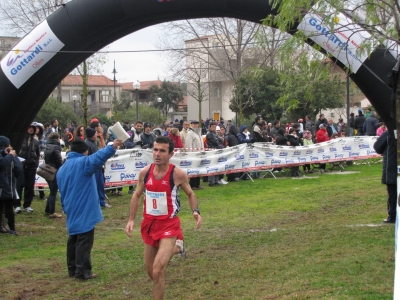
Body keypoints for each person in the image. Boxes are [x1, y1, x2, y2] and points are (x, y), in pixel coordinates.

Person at [125, 136, 202, 299]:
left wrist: (195, 211)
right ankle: (179, 248)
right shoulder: (145, 173)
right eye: (155, 149)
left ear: (171, 154)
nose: (157, 154)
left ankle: (176, 246)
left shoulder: (178, 174)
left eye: (162, 151)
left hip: (169, 225)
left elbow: (190, 193)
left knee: (158, 271)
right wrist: (131, 219)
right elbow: (137, 195)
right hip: (149, 225)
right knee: (151, 273)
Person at [57, 139, 123, 279]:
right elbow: (98, 157)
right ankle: (82, 272)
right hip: (84, 206)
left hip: (70, 206)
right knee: (84, 239)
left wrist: (64, 207)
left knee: (73, 238)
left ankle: (72, 269)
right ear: (84, 151)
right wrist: (112, 146)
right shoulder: (83, 163)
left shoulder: (62, 168)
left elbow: (61, 191)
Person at [14, 124, 40, 213]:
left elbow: (38, 154)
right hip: (21, 166)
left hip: (31, 166)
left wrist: (36, 164)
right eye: (29, 128)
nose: (31, 129)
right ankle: (17, 205)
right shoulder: (20, 140)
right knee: (19, 185)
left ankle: (27, 205)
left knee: (29, 186)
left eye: (32, 128)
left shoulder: (36, 142)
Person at [85, 128, 112, 207]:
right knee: (94, 186)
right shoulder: (87, 144)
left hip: (99, 168)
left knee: (100, 185)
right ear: (92, 135)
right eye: (95, 133)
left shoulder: (93, 143)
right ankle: (95, 202)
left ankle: (101, 201)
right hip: (93, 168)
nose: (96, 135)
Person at [373, 131, 396, 223]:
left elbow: (377, 147)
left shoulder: (389, 132)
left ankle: (393, 216)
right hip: (392, 167)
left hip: (391, 167)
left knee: (392, 193)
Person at [0, 136, 21, 235]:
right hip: (5, 184)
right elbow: (2, 163)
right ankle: (11, 228)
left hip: (6, 183)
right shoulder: (9, 156)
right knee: (8, 205)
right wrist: (10, 156)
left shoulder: (3, 153)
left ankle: (3, 226)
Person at [43, 132, 63, 218]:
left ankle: (48, 210)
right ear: (57, 138)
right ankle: (52, 211)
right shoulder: (56, 147)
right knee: (53, 192)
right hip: (55, 170)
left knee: (51, 191)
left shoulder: (47, 146)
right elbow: (58, 160)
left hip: (47, 170)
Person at [185, 120, 204, 190]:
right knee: (194, 170)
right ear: (191, 125)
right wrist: (190, 155)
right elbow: (188, 145)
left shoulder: (198, 133)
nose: (196, 125)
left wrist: (203, 152)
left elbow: (201, 144)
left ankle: (197, 184)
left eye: (197, 124)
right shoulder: (190, 133)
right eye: (194, 124)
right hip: (194, 155)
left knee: (198, 170)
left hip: (200, 154)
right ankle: (192, 185)